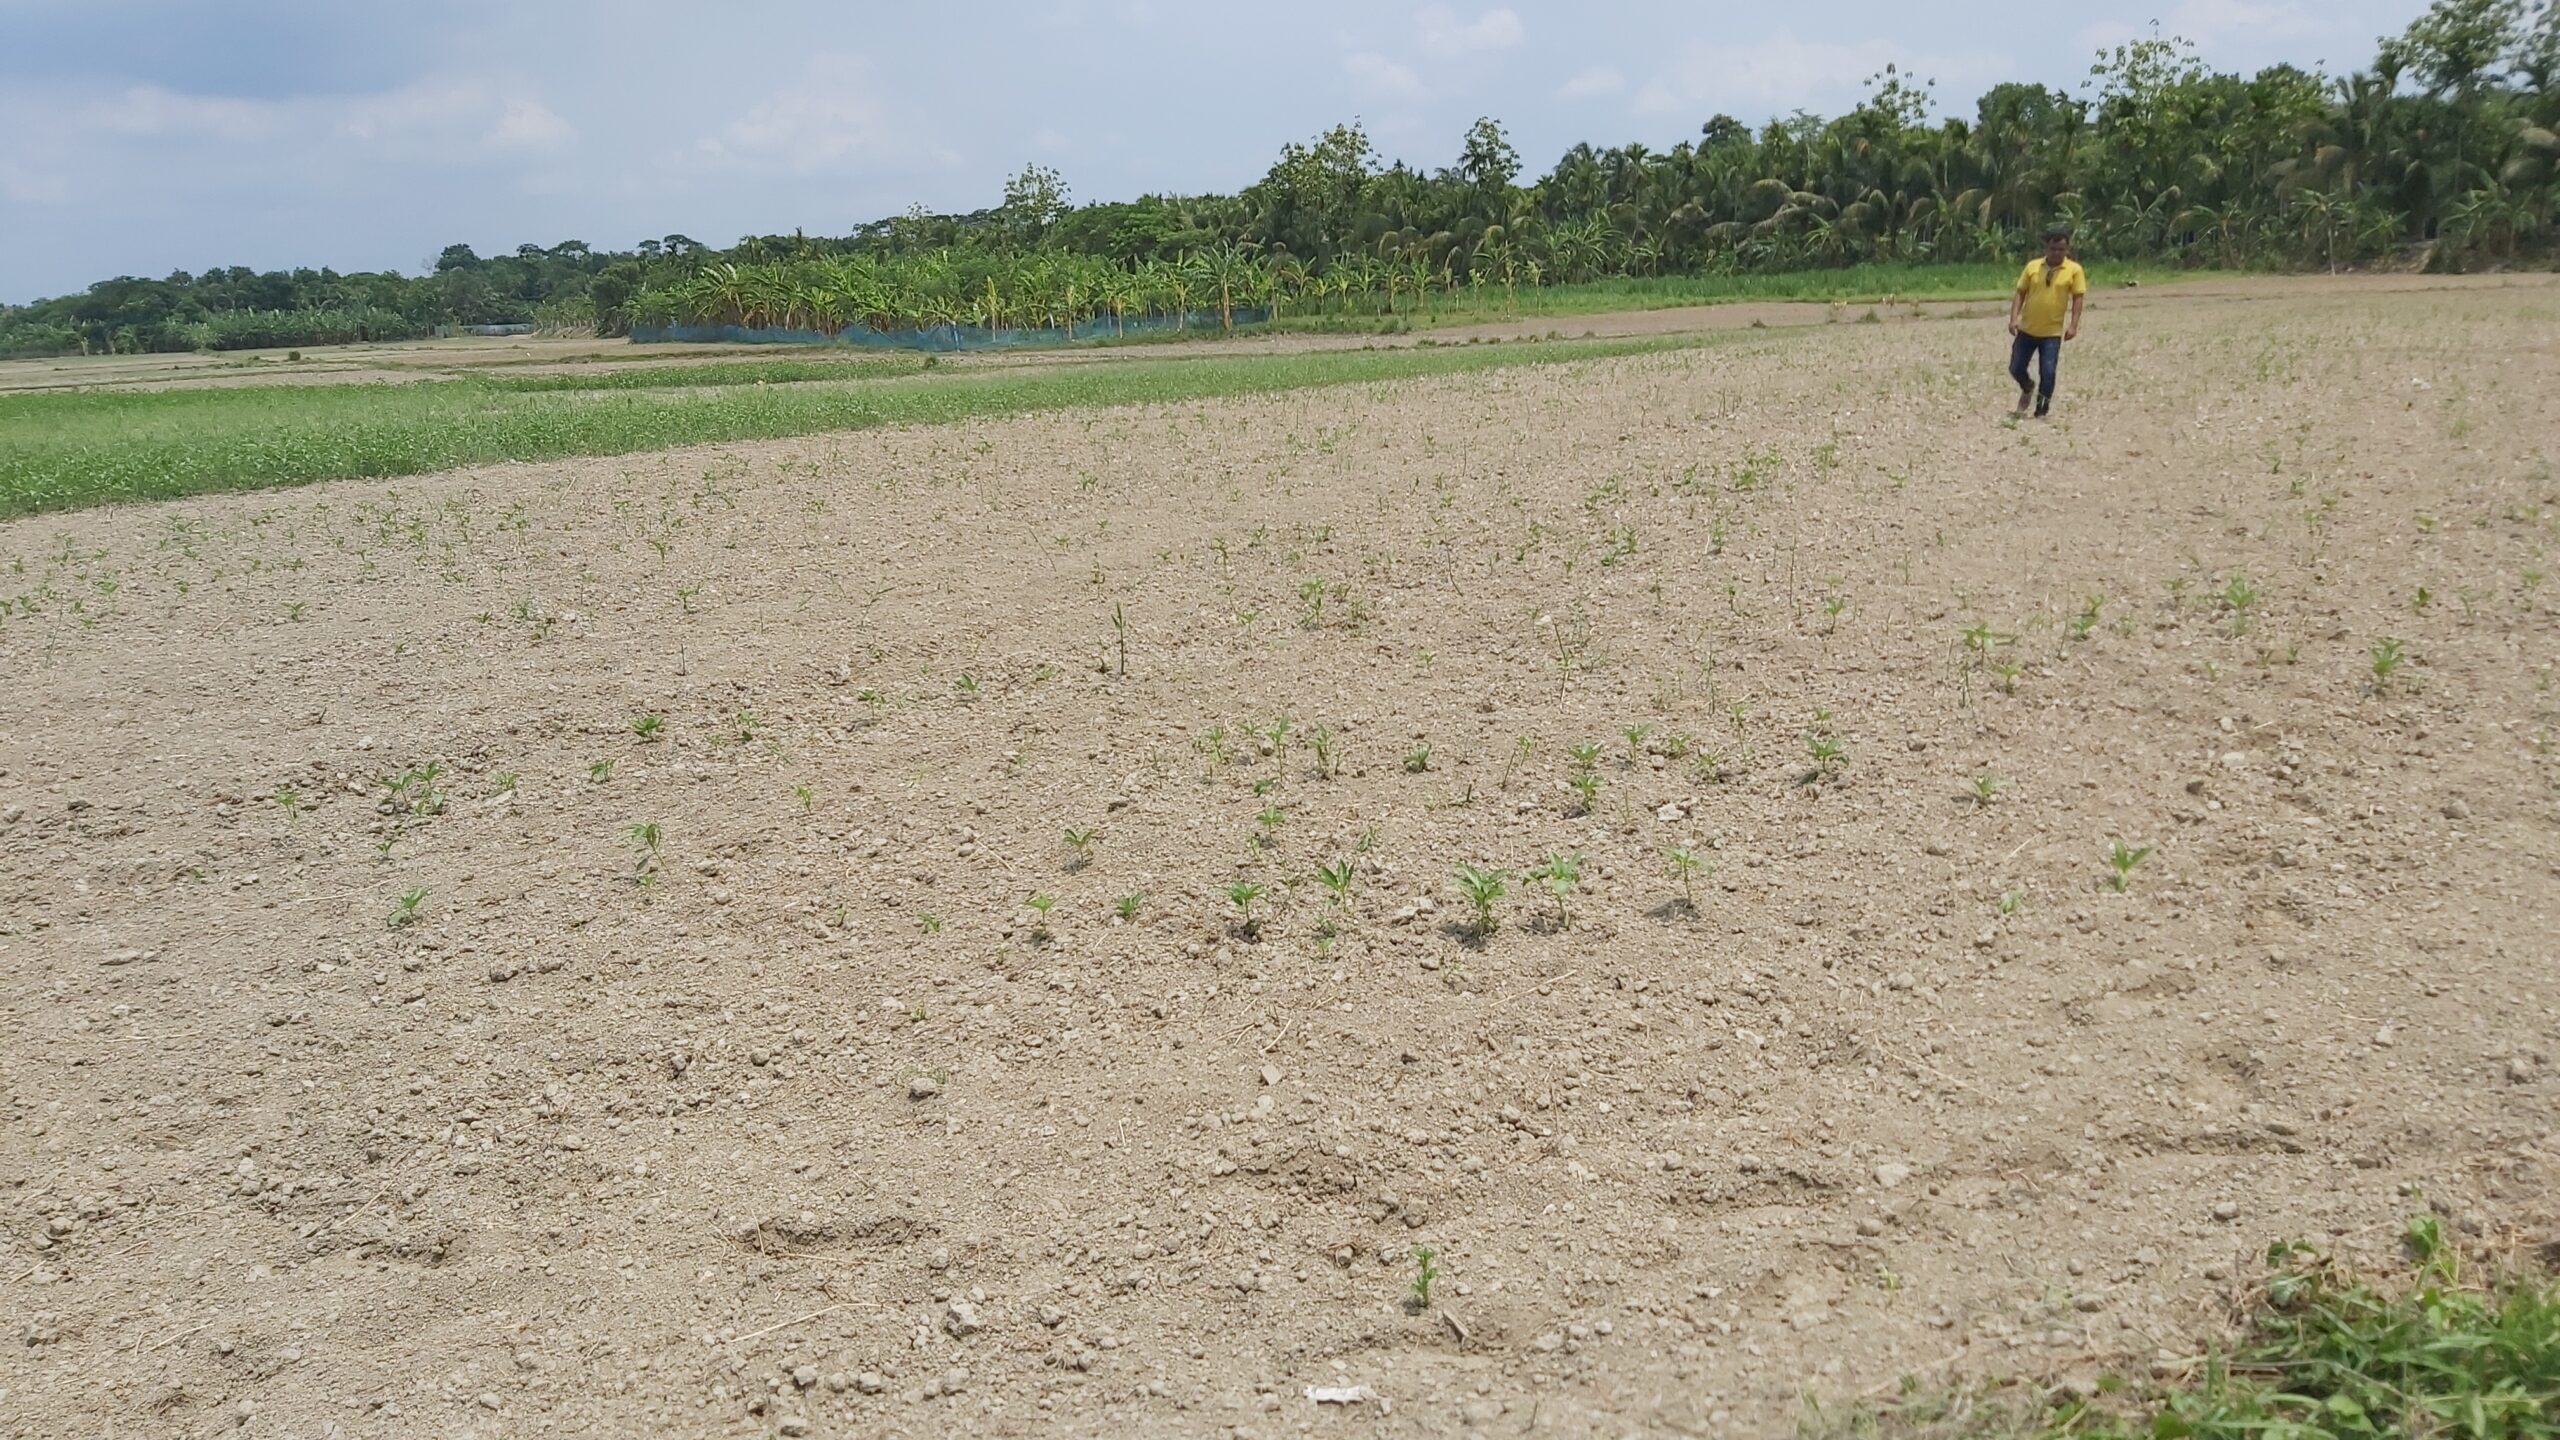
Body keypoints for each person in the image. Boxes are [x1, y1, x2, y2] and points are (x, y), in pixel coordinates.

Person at [2006, 227, 2085, 418]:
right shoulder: (2033, 267)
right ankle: (2027, 386)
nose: (2057, 253)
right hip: (2027, 329)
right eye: (2053, 248)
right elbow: (2020, 293)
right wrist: (2013, 318)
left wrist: (2073, 325)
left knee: (2048, 373)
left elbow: (2078, 298)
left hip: (2052, 333)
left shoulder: (2074, 270)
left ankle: (2041, 410)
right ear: (2046, 248)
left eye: (2061, 249)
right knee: (2015, 367)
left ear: (2066, 249)